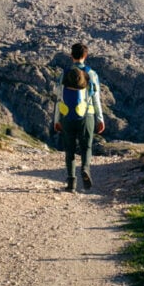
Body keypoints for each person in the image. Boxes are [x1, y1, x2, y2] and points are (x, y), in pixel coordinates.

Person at [52, 42, 105, 191]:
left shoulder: (64, 74)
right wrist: (100, 119)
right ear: (85, 56)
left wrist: (57, 119)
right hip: (86, 115)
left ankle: (71, 182)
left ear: (71, 56)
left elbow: (59, 98)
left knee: (69, 149)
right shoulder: (92, 74)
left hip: (66, 115)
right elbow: (96, 99)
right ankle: (85, 169)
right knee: (86, 146)